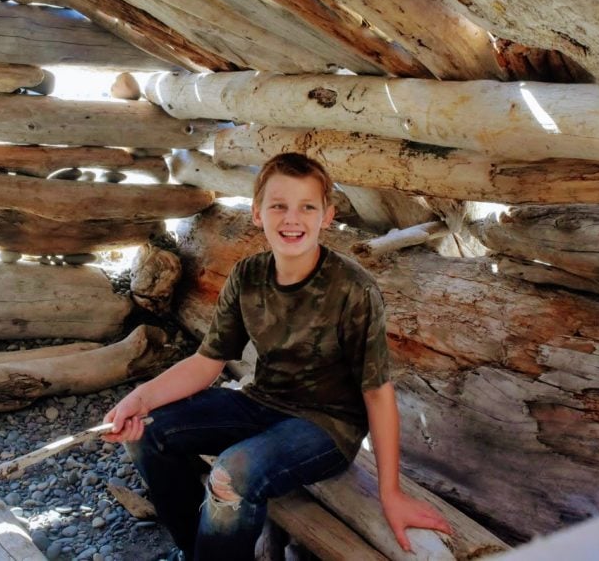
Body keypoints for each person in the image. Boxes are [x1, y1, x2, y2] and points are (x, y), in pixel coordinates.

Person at [102, 152, 452, 560]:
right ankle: (192, 548)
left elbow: (377, 393)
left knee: (232, 475)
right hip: (262, 402)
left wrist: (390, 493)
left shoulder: (353, 289)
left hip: (326, 427)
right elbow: (206, 363)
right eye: (278, 206)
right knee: (149, 430)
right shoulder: (248, 275)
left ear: (327, 216)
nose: (292, 218)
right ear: (257, 213)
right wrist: (139, 399)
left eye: (307, 207)